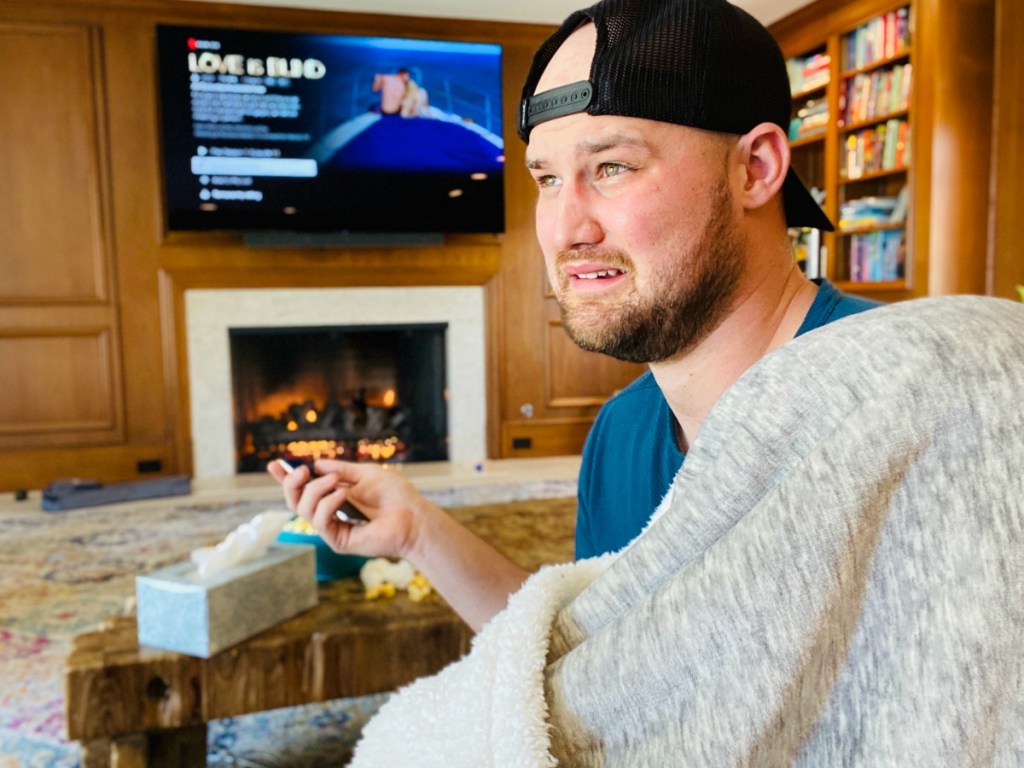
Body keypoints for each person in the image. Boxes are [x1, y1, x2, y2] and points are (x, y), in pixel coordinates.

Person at [275, 1, 1024, 763]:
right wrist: (418, 532)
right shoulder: (623, 433)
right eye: (546, 178)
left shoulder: (919, 402)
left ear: (756, 169)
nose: (568, 228)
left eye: (612, 168)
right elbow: (602, 667)